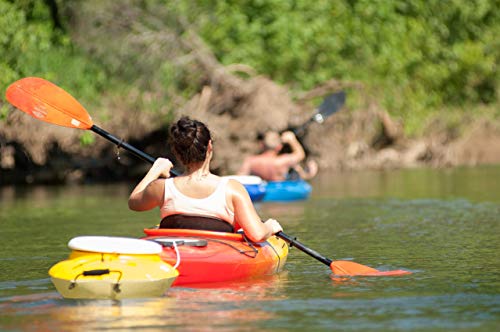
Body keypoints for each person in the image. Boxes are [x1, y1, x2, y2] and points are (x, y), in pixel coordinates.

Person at [128, 116, 283, 242]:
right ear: (209, 146)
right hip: (217, 257)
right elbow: (257, 234)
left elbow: (134, 203)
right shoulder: (232, 189)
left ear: (176, 151)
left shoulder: (161, 187)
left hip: (175, 251)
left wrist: (155, 169)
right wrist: (270, 227)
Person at [237, 130, 318, 181]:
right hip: (279, 188)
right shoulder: (282, 161)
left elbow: (239, 177)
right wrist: (292, 139)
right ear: (279, 147)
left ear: (261, 145)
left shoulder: (251, 161)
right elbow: (300, 154)